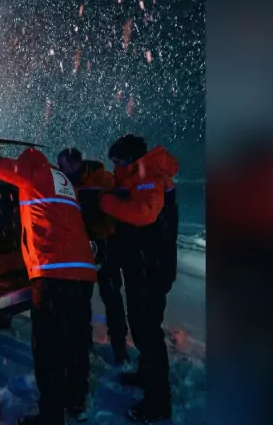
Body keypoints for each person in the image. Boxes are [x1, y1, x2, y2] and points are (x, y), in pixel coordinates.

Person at [0, 126, 97, 425]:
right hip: (83, 274)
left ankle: (50, 416)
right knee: (75, 342)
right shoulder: (62, 179)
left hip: (53, 275)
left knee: (48, 348)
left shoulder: (30, 172)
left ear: (26, 163)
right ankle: (77, 400)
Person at [98, 134, 179, 423]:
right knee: (143, 328)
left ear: (131, 160)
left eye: (118, 162)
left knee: (149, 333)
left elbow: (144, 213)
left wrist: (107, 203)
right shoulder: (137, 178)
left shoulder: (150, 177)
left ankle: (158, 403)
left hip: (150, 271)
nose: (115, 167)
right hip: (142, 269)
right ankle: (147, 376)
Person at [57, 147, 129, 366]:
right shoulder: (66, 183)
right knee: (81, 299)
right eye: (61, 168)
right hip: (82, 247)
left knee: (111, 296)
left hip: (107, 245)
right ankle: (84, 344)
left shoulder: (104, 179)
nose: (63, 172)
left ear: (78, 163)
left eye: (65, 167)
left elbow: (121, 209)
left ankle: (119, 348)